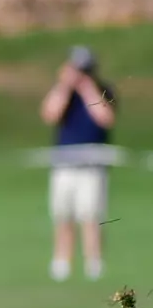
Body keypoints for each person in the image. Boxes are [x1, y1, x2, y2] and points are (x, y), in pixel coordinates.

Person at [40, 45, 116, 282]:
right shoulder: (64, 92)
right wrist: (65, 86)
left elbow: (105, 118)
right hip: (64, 163)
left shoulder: (103, 90)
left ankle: (94, 262)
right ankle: (62, 261)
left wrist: (87, 89)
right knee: (63, 215)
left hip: (92, 165)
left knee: (90, 214)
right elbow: (50, 114)